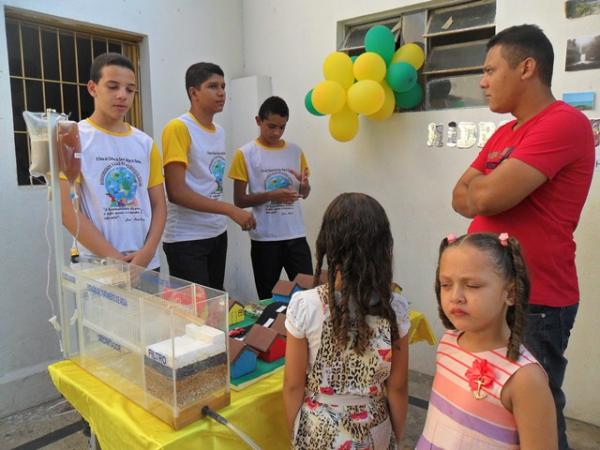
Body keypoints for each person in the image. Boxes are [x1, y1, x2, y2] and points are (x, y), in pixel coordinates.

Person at [451, 24, 595, 449]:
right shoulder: (504, 133)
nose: (482, 81)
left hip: (537, 300)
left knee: (537, 419)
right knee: (495, 409)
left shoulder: (564, 123)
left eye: (491, 70)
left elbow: (488, 195)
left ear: (527, 67)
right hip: (493, 296)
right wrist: (485, 193)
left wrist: (486, 190)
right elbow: (460, 196)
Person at [283, 193, 410, 449]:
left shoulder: (305, 305)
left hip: (318, 430)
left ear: (328, 245)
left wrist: (295, 435)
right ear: (384, 247)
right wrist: (397, 436)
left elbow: (293, 385)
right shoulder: (395, 307)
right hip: (374, 430)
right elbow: (397, 387)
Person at [418, 232, 557, 450]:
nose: (456, 296)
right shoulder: (448, 342)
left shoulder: (525, 379)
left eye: (472, 285)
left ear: (510, 293)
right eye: (445, 284)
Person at [60, 52, 166, 270]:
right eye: (112, 86)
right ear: (92, 88)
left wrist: (147, 252)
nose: (122, 95)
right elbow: (68, 210)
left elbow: (159, 205)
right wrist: (115, 260)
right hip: (98, 266)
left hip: (145, 263)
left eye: (130, 89)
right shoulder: (73, 138)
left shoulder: (145, 144)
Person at [161, 62, 255, 290]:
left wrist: (223, 216)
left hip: (216, 233)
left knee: (214, 310)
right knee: (195, 317)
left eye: (223, 86)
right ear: (194, 92)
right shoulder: (178, 128)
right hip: (186, 239)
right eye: (213, 86)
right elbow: (176, 192)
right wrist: (230, 209)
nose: (221, 92)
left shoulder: (219, 131)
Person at [228, 96, 312, 300]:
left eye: (282, 127)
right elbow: (239, 200)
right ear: (258, 121)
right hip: (265, 239)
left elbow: (304, 194)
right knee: (268, 299)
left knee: (309, 296)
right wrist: (272, 195)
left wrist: (303, 185)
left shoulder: (295, 151)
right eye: (271, 126)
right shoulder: (245, 153)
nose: (277, 132)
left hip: (295, 235)